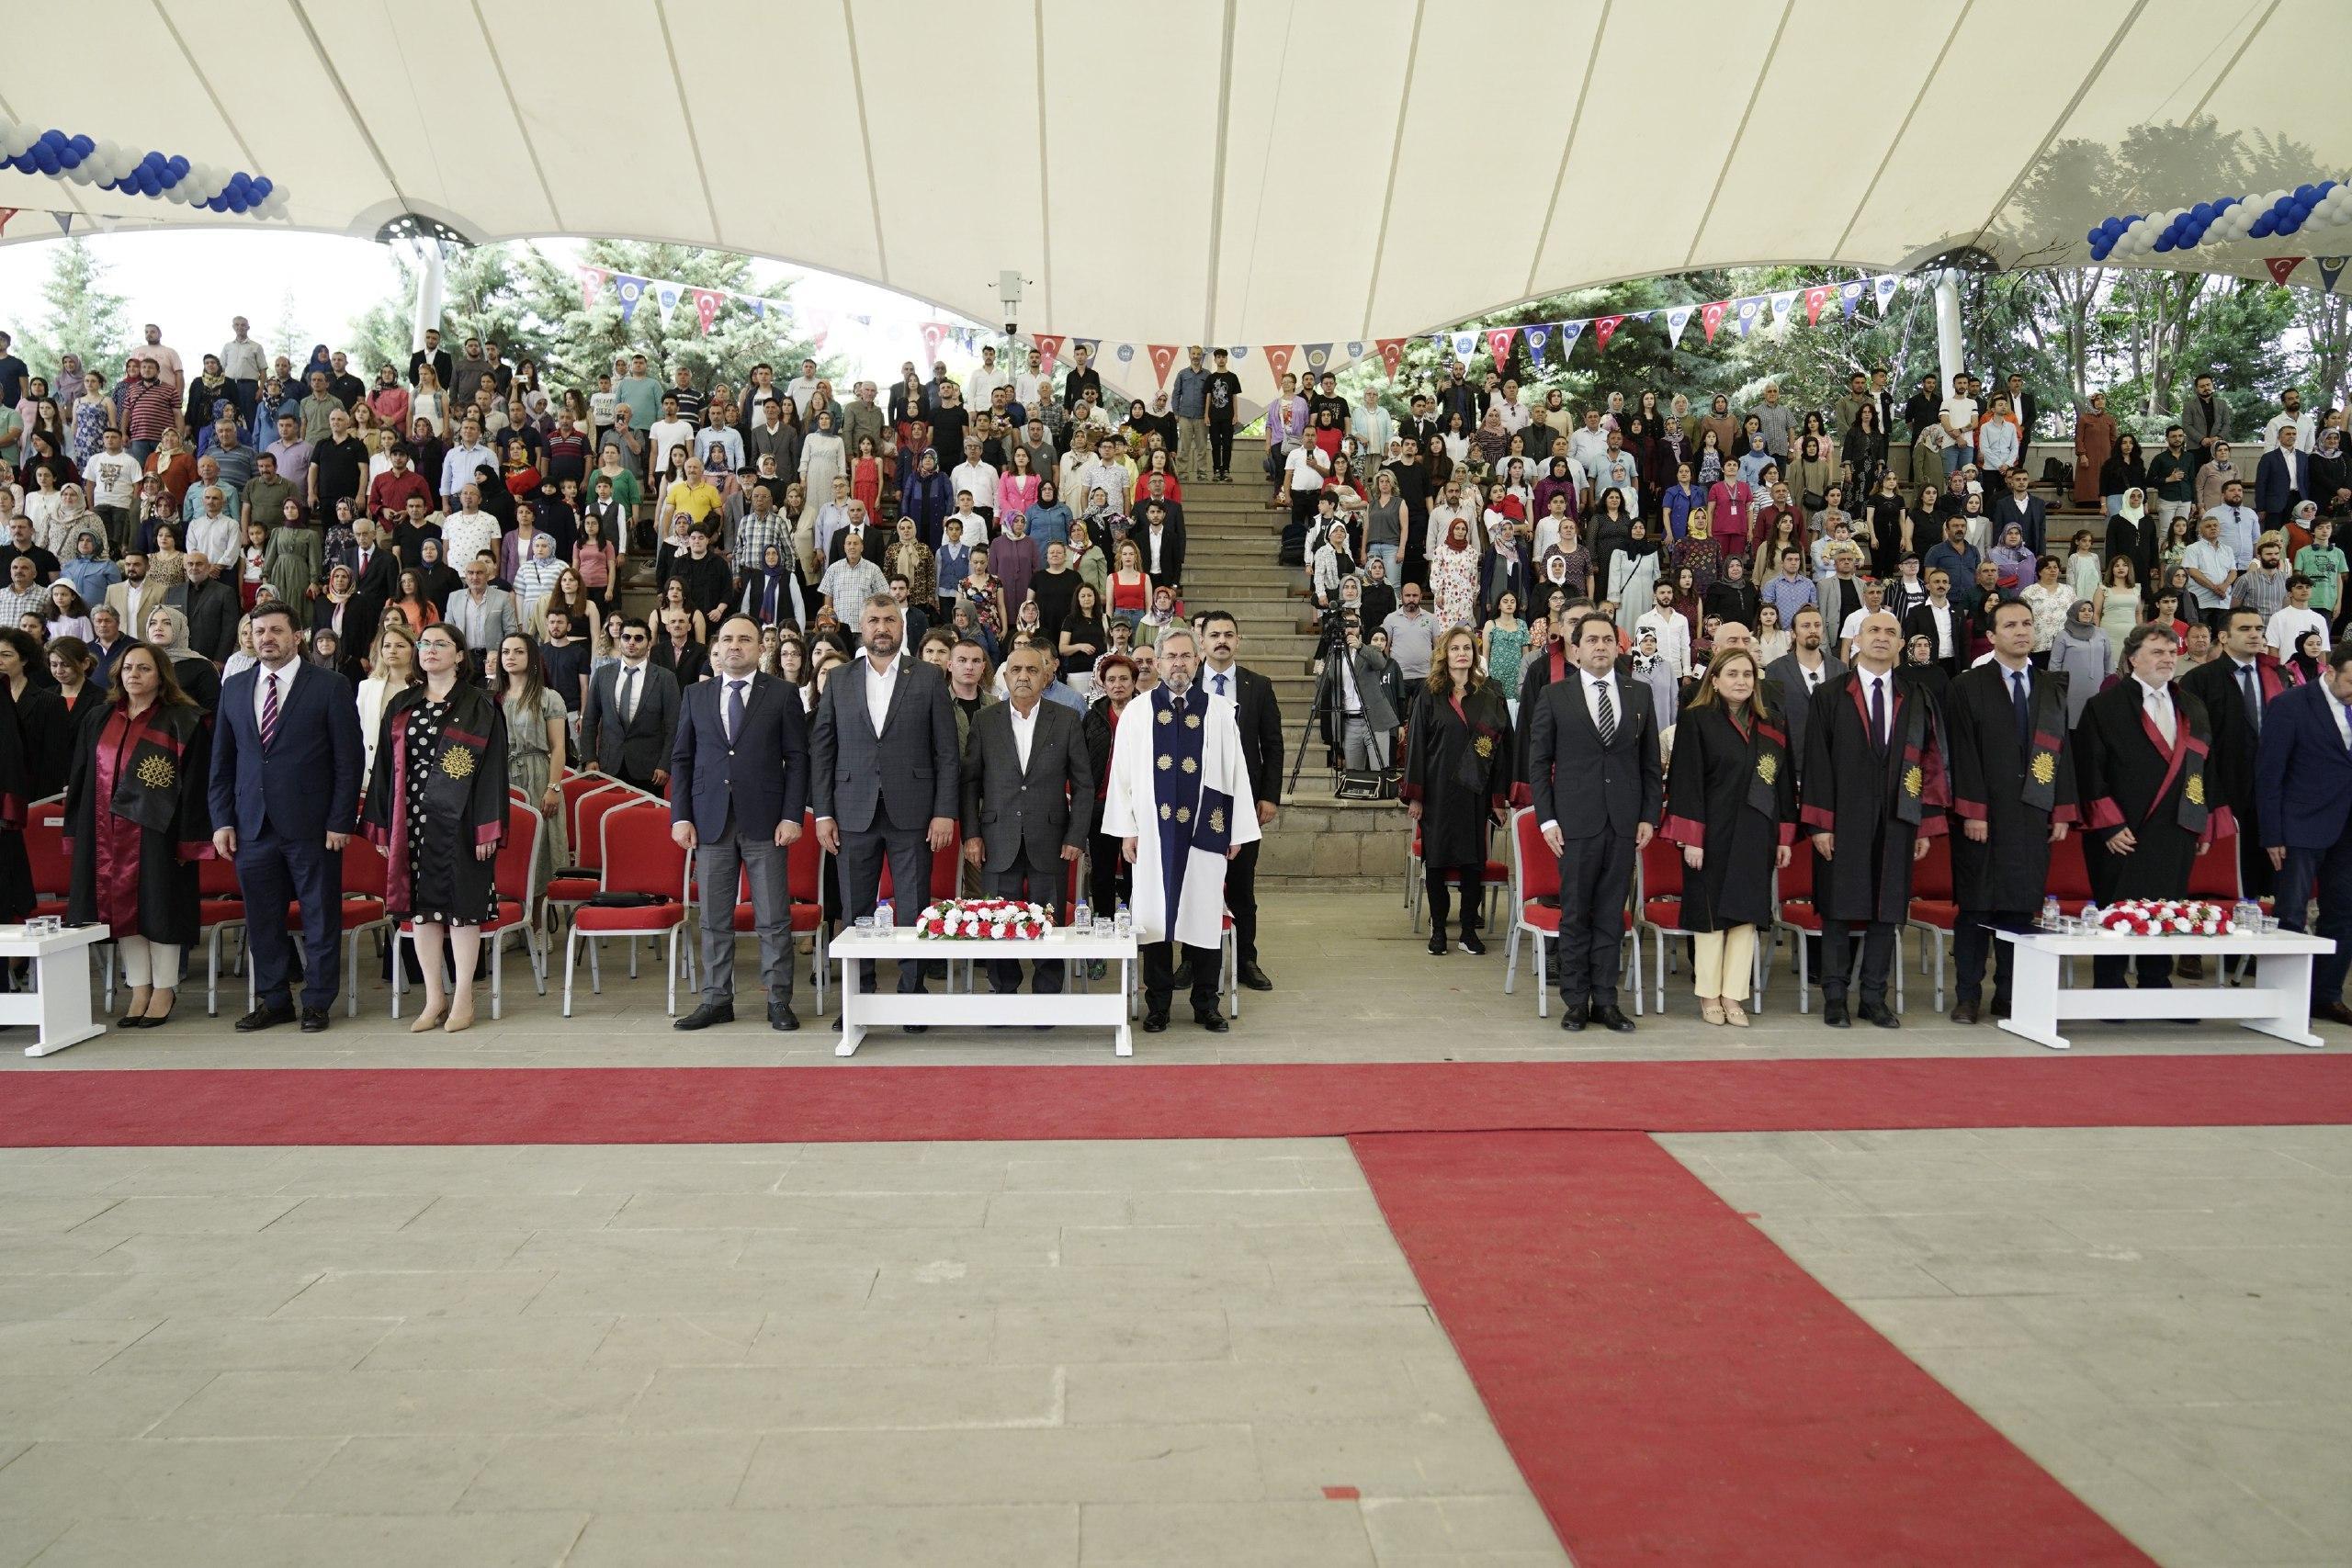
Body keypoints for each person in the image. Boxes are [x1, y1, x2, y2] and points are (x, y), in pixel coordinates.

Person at [208, 600, 366, 1032]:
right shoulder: (235, 687)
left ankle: (317, 1001)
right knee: (262, 920)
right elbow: (221, 761)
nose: (267, 639)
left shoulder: (330, 686)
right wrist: (222, 820)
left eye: (276, 631)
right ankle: (274, 999)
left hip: (313, 826)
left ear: (297, 636)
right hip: (251, 826)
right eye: (259, 632)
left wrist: (340, 820)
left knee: (319, 916)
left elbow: (347, 762)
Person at [1100, 626, 1260, 1032]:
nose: (1178, 664)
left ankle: (1207, 1002)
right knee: (1154, 917)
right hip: (1153, 835)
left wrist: (1237, 831)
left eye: (1186, 656)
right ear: (1157, 661)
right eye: (1170, 656)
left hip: (1205, 832)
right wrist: (1126, 830)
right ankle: (1158, 1005)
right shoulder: (1138, 711)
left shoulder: (1220, 710)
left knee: (1203, 914)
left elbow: (1236, 770)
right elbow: (1121, 774)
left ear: (1197, 659)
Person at [810, 593, 960, 1014]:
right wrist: (823, 813)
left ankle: (912, 998)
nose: (882, 628)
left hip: (913, 812)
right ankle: (858, 1001)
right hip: (851, 812)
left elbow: (946, 752)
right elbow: (823, 750)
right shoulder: (840, 679)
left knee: (914, 908)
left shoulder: (929, 676)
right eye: (874, 620)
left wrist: (944, 810)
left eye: (890, 620)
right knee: (856, 911)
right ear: (861, 627)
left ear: (902, 626)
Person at [1800, 610, 1949, 1029]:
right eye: (1873, 631)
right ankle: (1834, 997)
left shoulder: (1916, 696)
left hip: (1899, 816)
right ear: (1857, 639)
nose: (1882, 638)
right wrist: (1820, 824)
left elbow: (1932, 763)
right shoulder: (1830, 695)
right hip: (1843, 818)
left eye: (1890, 632)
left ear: (1902, 644)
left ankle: (1873, 997)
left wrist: (1925, 823)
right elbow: (1816, 763)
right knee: (1837, 908)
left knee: (1888, 908)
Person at [361, 623, 508, 1034]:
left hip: (461, 822)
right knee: (422, 915)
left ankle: (463, 997)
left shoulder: (480, 705)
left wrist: (486, 828)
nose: (429, 650)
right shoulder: (403, 703)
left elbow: (492, 771)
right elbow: (386, 771)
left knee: (462, 912)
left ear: (460, 655)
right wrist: (385, 829)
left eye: (440, 644)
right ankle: (433, 997)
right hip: (412, 823)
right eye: (424, 643)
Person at [670, 613, 811, 1033]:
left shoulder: (782, 694)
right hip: (710, 820)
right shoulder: (695, 695)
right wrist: (680, 817)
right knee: (713, 917)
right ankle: (716, 999)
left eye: (744, 640)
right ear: (717, 646)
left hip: (767, 822)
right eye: (728, 639)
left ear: (760, 647)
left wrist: (791, 814)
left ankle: (778, 999)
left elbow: (798, 759)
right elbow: (681, 759)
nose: (735, 646)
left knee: (772, 916)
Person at [62, 640, 211, 1028]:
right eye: (128, 668)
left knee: (160, 909)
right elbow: (81, 777)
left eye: (144, 668)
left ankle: (164, 986)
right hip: (106, 833)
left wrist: (189, 839)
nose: (134, 675)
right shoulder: (99, 718)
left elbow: (196, 786)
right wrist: (76, 831)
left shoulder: (183, 720)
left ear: (161, 675)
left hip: (158, 833)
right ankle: (139, 986)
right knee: (120, 911)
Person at [1943, 600, 2079, 1024]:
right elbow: (1960, 753)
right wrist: (1972, 811)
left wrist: (2061, 809)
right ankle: (1968, 995)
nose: (2021, 631)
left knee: (2019, 909)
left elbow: (2063, 753)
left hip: (2031, 814)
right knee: (1977, 907)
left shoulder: (2050, 687)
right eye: (2010, 625)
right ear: (1992, 635)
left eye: (2027, 624)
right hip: (1984, 817)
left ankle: (2009, 993)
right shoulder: (1967, 686)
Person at [2074, 622, 2228, 994]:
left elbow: (2205, 769)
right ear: (2132, 659)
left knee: (2168, 906)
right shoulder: (2103, 705)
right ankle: (2109, 988)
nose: (2167, 658)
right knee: (2116, 908)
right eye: (2156, 651)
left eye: (2171, 652)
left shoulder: (2192, 706)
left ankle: (2156, 984)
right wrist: (2107, 825)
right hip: (2122, 833)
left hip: (2174, 828)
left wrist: (2202, 821)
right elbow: (2087, 768)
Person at [1528, 611, 1662, 1031]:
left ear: (1618, 646)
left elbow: (1649, 763)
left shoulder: (1638, 695)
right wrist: (1547, 821)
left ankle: (1606, 1000)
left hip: (1623, 824)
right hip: (1574, 824)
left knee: (1610, 914)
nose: (1600, 646)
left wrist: (1648, 816)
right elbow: (1539, 763)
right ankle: (1575, 1001)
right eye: (1592, 640)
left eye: (1607, 639)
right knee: (1576, 914)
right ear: (1577, 647)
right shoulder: (1555, 696)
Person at [1659, 646, 1795, 1025]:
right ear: (1714, 681)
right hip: (1711, 834)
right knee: (1711, 915)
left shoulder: (1771, 724)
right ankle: (1708, 995)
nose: (1741, 681)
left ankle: (1735, 994)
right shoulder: (1697, 720)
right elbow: (1686, 782)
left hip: (1756, 832)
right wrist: (1692, 839)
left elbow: (1783, 782)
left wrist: (1784, 836)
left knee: (1746, 915)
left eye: (1748, 675)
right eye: (1732, 674)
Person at [960, 639, 1092, 996]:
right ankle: (1003, 992)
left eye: (1032, 670)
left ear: (1047, 674)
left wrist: (1075, 836)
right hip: (996, 839)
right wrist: (971, 835)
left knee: (1047, 919)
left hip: (1050, 840)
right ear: (1004, 675)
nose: (1023, 676)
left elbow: (1083, 785)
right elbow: (969, 783)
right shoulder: (985, 721)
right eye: (1016, 670)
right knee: (998, 921)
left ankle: (1048, 995)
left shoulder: (1065, 720)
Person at [2255, 641, 2352, 1027]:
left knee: (2343, 914)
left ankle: (2326, 996)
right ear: (2329, 672)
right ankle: (2282, 999)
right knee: (2290, 915)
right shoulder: (2290, 706)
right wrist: (2272, 834)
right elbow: (2269, 774)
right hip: (2299, 827)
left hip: (2348, 829)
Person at [1403, 625, 1514, 957]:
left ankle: (1468, 929)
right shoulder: (1429, 693)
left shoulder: (1489, 697)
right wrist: (1416, 795)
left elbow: (1500, 753)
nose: (1462, 653)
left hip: (1473, 793)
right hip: (1436, 793)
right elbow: (1417, 746)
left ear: (1475, 654)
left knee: (1472, 862)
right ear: (1444, 655)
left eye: (1467, 648)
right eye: (1455, 648)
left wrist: (1497, 798)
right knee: (1435, 862)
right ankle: (1438, 929)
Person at [2180, 606, 2291, 906]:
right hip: (2220, 792)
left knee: (2265, 884)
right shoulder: (2200, 679)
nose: (2255, 634)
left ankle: (2255, 949)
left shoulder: (2276, 676)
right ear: (2224, 636)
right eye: (2245, 629)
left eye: (2258, 628)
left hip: (2268, 795)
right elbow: (2192, 744)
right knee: (2217, 884)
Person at [581, 616, 680, 794]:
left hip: (650, 769)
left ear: (649, 643)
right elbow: (590, 719)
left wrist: (665, 764)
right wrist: (589, 757)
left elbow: (674, 726)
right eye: (626, 637)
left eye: (638, 638)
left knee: (645, 819)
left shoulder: (666, 678)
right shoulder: (603, 674)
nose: (631, 642)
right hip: (608, 765)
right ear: (620, 641)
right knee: (609, 819)